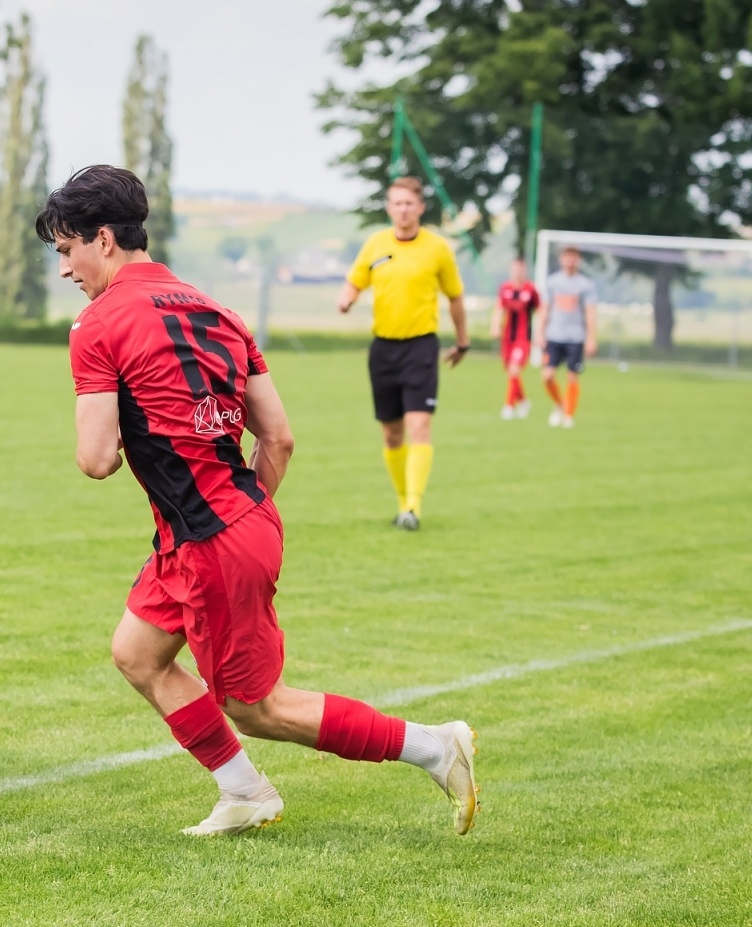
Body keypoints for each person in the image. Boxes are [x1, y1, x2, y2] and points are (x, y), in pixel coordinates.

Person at [36, 165, 478, 837]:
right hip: (224, 524)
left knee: (256, 706)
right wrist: (239, 512)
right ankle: (243, 791)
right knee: (137, 653)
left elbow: (96, 461)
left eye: (67, 249)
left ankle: (433, 746)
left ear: (102, 239)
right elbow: (279, 438)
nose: (66, 268)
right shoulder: (219, 311)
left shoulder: (96, 326)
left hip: (210, 538)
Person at [336, 176, 469, 532]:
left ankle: (413, 506)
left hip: (421, 346)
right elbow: (355, 280)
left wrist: (462, 340)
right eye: (397, 203)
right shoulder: (375, 244)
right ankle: (401, 502)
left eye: (409, 203)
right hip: (383, 349)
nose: (403, 209)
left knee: (419, 424)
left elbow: (455, 296)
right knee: (392, 434)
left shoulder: (438, 249)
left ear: (421, 207)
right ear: (389, 208)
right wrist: (347, 297)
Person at [539, 246, 598, 428]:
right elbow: (545, 309)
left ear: (578, 260)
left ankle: (568, 415)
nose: (570, 261)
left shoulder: (586, 285)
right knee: (547, 376)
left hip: (575, 338)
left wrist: (591, 338)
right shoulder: (552, 282)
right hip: (554, 336)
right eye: (566, 257)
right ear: (561, 259)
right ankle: (559, 404)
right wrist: (540, 333)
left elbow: (590, 314)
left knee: (572, 376)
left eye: (573, 257)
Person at [492, 257, 540, 420]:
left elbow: (541, 310)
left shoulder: (531, 289)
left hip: (523, 338)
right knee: (511, 372)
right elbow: (499, 308)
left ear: (525, 271)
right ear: (511, 270)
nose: (518, 273)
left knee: (514, 370)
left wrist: (541, 333)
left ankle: (509, 406)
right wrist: (495, 325)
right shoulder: (505, 288)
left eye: (521, 269)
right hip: (507, 337)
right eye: (515, 269)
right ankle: (524, 401)